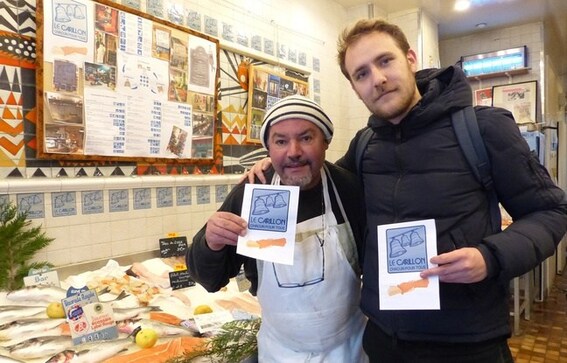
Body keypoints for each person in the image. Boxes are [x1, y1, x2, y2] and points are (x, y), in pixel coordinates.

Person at [246, 19, 567, 363]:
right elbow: (319, 180)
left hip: (468, 344)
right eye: (362, 74)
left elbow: (550, 212)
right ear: (355, 88)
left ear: (410, 59)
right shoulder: (365, 146)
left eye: (385, 61)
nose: (378, 79)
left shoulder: (483, 127)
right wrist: (277, 163)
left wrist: (491, 257)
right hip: (385, 342)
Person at [186, 95, 368, 362]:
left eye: (306, 138)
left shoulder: (349, 190)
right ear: (268, 149)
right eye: (281, 141)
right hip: (279, 353)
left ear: (325, 141)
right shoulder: (252, 193)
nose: (293, 151)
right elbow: (210, 280)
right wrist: (210, 243)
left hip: (349, 349)